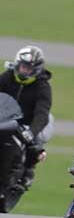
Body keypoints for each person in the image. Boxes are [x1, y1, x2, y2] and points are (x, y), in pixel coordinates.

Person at [0, 45, 54, 192]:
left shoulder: (43, 87)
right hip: (5, 119)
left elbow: (42, 113)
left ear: (36, 69)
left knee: (34, 144)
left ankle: (28, 172)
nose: (24, 70)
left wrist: (32, 131)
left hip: (27, 124)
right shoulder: (7, 77)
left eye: (28, 68)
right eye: (23, 66)